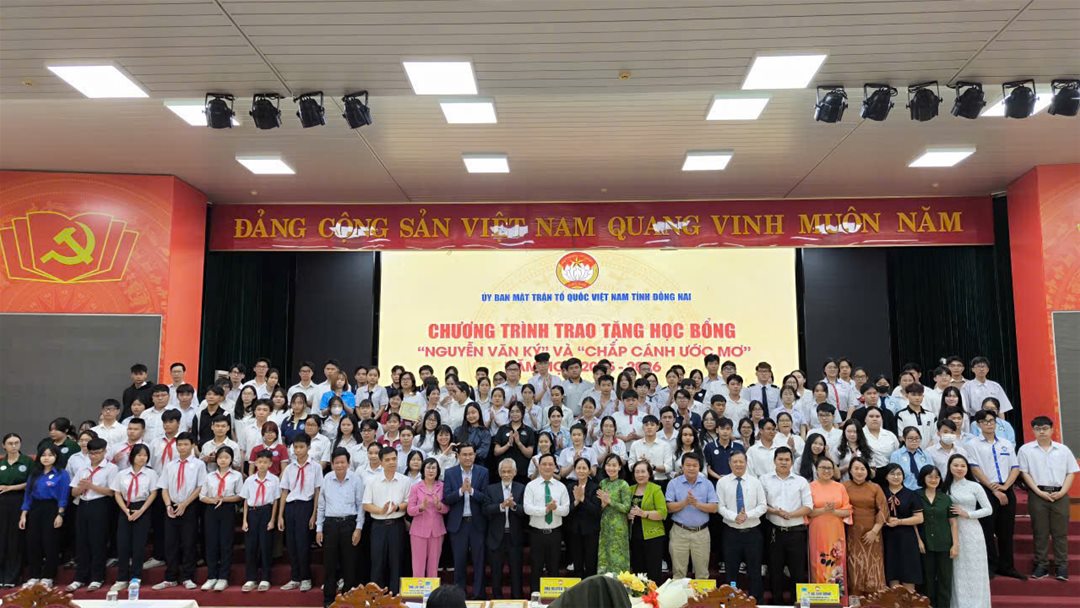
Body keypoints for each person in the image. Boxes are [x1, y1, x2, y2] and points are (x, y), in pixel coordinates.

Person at [1018, 415, 1078, 581]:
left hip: (1060, 494)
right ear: (1033, 431)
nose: (1042, 432)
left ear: (1052, 430)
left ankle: (1061, 566)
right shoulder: (1025, 450)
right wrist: (1038, 492)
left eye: (1045, 428)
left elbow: (1071, 473)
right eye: (1038, 429)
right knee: (1040, 531)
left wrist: (1062, 492)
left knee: (1060, 532)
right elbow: (1024, 473)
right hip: (1038, 494)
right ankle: (1041, 565)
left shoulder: (1063, 450)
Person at [967, 409, 1025, 579]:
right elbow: (975, 469)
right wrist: (993, 489)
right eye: (985, 421)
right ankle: (990, 566)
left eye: (992, 420)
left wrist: (1005, 486)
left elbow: (1015, 467)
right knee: (987, 529)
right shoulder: (972, 444)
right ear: (978, 424)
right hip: (986, 490)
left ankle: (1007, 566)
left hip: (1006, 488)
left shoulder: (1006, 443)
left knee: (1006, 530)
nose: (989, 424)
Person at [152, 432, 205, 591]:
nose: (182, 447)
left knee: (188, 542)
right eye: (179, 445)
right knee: (170, 543)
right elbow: (164, 487)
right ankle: (170, 577)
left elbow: (200, 486)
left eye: (186, 444)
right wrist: (168, 505)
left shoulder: (199, 464)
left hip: (190, 506)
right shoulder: (170, 465)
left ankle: (188, 577)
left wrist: (185, 504)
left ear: (192, 445)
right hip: (171, 506)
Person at [761, 447, 812, 604]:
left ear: (792, 462)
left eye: (787, 459)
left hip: (796, 533)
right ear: (774, 461)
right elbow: (761, 504)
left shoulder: (801, 481)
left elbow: (808, 506)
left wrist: (791, 514)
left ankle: (797, 604)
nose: (783, 462)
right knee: (775, 571)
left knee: (797, 573)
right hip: (774, 532)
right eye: (780, 459)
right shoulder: (764, 479)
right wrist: (776, 512)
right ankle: (777, 603)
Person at [65, 438, 116, 592]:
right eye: (91, 453)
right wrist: (81, 488)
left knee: (97, 541)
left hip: (100, 505)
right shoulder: (83, 469)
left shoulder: (111, 468)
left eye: (98, 453)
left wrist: (91, 486)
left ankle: (97, 577)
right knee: (82, 541)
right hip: (83, 504)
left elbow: (111, 492)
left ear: (104, 452)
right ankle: (80, 578)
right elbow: (73, 492)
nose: (94, 456)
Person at [316, 447, 365, 608]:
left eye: (343, 462)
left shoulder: (356, 479)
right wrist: (319, 528)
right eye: (336, 463)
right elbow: (321, 505)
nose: (340, 465)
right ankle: (328, 601)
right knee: (329, 564)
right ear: (332, 464)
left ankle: (348, 600)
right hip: (330, 525)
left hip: (349, 524)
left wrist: (358, 528)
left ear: (348, 463)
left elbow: (360, 505)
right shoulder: (327, 479)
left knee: (350, 564)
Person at [943, 454, 992, 608]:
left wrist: (968, 514)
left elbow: (988, 509)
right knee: (957, 569)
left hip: (972, 530)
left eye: (963, 466)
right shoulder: (944, 487)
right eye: (956, 465)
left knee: (975, 568)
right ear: (949, 467)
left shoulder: (975, 486)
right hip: (951, 530)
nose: (959, 468)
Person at [716, 452, 767, 601]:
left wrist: (747, 515)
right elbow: (720, 506)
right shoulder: (722, 482)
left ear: (746, 463)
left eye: (741, 461)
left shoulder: (755, 482)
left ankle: (755, 600)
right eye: (735, 462)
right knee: (731, 570)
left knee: (754, 570)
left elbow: (763, 506)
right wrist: (734, 517)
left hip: (752, 533)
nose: (738, 464)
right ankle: (732, 600)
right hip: (731, 533)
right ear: (729, 463)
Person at [19, 445, 70, 588]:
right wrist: (24, 514)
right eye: (43, 455)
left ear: (56, 457)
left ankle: (48, 576)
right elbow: (27, 496)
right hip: (35, 509)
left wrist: (60, 514)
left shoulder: (62, 474)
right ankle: (34, 575)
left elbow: (63, 495)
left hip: (52, 508)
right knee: (33, 542)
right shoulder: (35, 473)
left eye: (50, 455)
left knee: (50, 542)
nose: (46, 458)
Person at [443, 443, 489, 600]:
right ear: (458, 456)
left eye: (471, 454)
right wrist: (461, 491)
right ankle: (459, 596)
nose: (468, 457)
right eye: (464, 454)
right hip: (458, 524)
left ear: (475, 455)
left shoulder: (483, 472)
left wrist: (472, 491)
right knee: (459, 562)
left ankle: (478, 595)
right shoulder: (450, 473)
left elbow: (486, 498)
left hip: (477, 523)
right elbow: (447, 499)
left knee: (479, 562)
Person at [109, 444, 157, 594]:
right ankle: (122, 578)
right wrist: (125, 510)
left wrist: (141, 510)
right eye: (139, 455)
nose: (142, 458)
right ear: (132, 456)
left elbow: (153, 493)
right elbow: (117, 493)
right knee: (123, 544)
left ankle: (136, 577)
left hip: (143, 507)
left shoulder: (151, 474)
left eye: (145, 455)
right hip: (125, 507)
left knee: (138, 545)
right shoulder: (122, 474)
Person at [277, 432, 321, 592]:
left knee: (303, 544)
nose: (298, 450)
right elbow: (284, 491)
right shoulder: (289, 468)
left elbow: (317, 491)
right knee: (292, 544)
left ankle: (306, 577)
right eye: (295, 447)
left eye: (301, 447)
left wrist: (314, 514)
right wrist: (280, 515)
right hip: (291, 506)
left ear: (308, 447)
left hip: (306, 505)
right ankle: (295, 577)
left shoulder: (315, 467)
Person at [363, 447, 411, 594]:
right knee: (377, 562)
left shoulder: (405, 480)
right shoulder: (372, 481)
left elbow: (408, 502)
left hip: (397, 526)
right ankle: (376, 597)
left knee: (397, 563)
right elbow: (366, 504)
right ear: (381, 462)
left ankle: (395, 597)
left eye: (394, 459)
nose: (391, 462)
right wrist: (380, 511)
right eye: (388, 460)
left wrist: (397, 508)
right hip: (378, 526)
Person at [665, 451, 718, 580]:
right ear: (682, 467)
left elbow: (714, 508)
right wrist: (685, 502)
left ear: (699, 467)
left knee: (702, 573)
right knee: (678, 573)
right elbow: (669, 508)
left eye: (695, 465)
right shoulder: (673, 483)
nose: (691, 468)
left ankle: (701, 595)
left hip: (701, 533)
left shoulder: (707, 484)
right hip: (679, 531)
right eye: (688, 465)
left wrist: (696, 504)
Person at [523, 453, 570, 592]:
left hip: (555, 534)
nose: (547, 467)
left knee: (554, 568)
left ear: (555, 467)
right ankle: (535, 599)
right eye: (544, 464)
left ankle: (554, 601)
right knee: (536, 568)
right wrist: (546, 510)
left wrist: (555, 508)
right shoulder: (531, 486)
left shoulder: (561, 487)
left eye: (551, 464)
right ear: (539, 466)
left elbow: (566, 510)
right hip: (536, 534)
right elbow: (527, 508)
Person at [808, 456, 852, 602]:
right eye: (823, 468)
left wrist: (833, 511)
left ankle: (839, 601)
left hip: (836, 531)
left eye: (829, 468)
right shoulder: (810, 487)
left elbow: (847, 510)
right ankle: (820, 601)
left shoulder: (840, 487)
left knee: (837, 564)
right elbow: (807, 511)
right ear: (816, 469)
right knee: (818, 563)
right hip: (818, 530)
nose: (826, 471)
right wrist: (824, 510)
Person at [199, 446, 243, 592]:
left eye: (226, 458)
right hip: (211, 509)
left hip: (227, 508)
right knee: (211, 543)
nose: (223, 460)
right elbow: (202, 496)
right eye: (220, 458)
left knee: (225, 543)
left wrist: (224, 499)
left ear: (231, 459)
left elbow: (240, 495)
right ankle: (211, 576)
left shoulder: (236, 476)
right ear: (216, 459)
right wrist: (213, 500)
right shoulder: (210, 476)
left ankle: (223, 577)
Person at [841, 456, 886, 597]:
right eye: (856, 468)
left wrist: (874, 531)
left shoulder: (875, 487)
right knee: (854, 565)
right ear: (850, 470)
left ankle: (875, 602)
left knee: (873, 566)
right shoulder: (843, 487)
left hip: (872, 534)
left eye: (862, 469)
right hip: (851, 533)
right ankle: (855, 600)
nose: (859, 472)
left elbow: (883, 510)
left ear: (867, 471)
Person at [916, 464, 958, 608]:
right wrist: (919, 540)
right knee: (927, 580)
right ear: (923, 478)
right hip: (925, 544)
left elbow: (953, 523)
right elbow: (914, 520)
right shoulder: (916, 496)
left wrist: (955, 544)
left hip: (944, 543)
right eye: (930, 477)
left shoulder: (945, 498)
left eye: (937, 477)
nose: (933, 480)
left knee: (945, 580)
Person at [484, 458, 526, 599]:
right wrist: (501, 506)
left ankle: (517, 600)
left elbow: (525, 511)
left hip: (515, 537)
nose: (506, 474)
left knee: (516, 573)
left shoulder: (521, 488)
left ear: (515, 472)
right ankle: (497, 600)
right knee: (496, 573)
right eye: (504, 471)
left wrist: (513, 506)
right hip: (496, 537)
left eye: (509, 471)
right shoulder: (491, 489)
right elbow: (486, 510)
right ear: (499, 473)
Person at [879, 462, 923, 591]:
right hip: (887, 537)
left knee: (908, 573)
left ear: (903, 476)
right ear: (886, 476)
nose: (896, 477)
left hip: (907, 538)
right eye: (892, 474)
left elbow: (919, 518)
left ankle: (909, 600)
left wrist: (899, 522)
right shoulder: (881, 493)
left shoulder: (911, 494)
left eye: (899, 474)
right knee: (892, 574)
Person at [0, 433, 32, 588]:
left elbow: (31, 482)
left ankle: (13, 577)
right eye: (10, 443)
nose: (14, 446)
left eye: (16, 443)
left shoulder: (27, 461)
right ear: (3, 446)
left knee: (15, 539)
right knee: (2, 539)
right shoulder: (2, 462)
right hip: (2, 502)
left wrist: (11, 487)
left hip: (19, 500)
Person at [565, 457, 601, 579]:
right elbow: (567, 510)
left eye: (584, 468)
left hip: (591, 531)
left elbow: (596, 511)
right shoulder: (570, 487)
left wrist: (583, 499)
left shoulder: (595, 487)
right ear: (575, 470)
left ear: (589, 470)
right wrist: (576, 502)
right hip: (574, 530)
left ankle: (591, 588)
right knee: (577, 563)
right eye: (578, 468)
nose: (581, 470)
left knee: (591, 563)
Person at [596, 453, 631, 574]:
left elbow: (626, 508)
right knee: (604, 554)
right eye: (608, 465)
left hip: (619, 527)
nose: (611, 468)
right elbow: (599, 508)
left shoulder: (623, 484)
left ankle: (620, 583)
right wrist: (603, 504)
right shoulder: (602, 483)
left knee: (618, 557)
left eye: (614, 465)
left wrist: (610, 501)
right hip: (605, 525)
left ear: (620, 467)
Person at [492, 402, 535, 485]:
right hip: (504, 473)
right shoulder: (503, 429)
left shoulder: (529, 430)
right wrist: (508, 444)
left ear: (522, 413)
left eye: (517, 411)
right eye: (512, 411)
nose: (514, 414)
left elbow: (529, 454)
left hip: (521, 473)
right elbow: (496, 452)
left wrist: (519, 443)